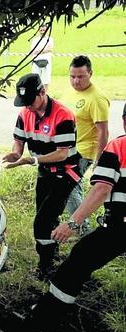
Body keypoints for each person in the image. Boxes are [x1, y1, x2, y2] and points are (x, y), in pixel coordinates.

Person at [30, 102, 125, 330]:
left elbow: (101, 189)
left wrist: (72, 223)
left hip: (120, 226)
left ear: (123, 120)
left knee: (78, 261)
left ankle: (45, 318)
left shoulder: (119, 146)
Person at [2, 73, 81, 281]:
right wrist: (15, 154)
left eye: (30, 101)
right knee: (46, 215)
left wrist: (33, 160)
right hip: (45, 172)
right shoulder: (24, 114)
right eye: (24, 102)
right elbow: (19, 142)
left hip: (66, 172)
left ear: (42, 92)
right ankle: (52, 253)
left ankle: (46, 266)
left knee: (41, 223)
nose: (27, 106)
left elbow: (62, 153)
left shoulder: (63, 115)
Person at [62, 55, 110, 233]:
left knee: (67, 188)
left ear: (90, 73)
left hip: (84, 152)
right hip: (67, 150)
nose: (76, 81)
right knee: (70, 188)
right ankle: (82, 225)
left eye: (81, 76)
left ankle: (82, 228)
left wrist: (100, 160)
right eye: (72, 76)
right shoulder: (69, 92)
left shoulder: (97, 98)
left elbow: (103, 131)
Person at [30, 24, 54, 91]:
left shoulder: (50, 39)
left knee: (46, 79)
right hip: (36, 61)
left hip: (46, 61)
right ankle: (35, 93)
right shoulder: (35, 40)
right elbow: (33, 50)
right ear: (38, 30)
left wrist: (39, 50)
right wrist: (44, 50)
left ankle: (45, 94)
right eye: (41, 30)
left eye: (44, 30)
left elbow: (50, 49)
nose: (42, 31)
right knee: (34, 78)